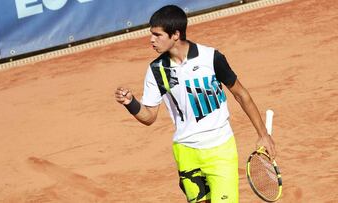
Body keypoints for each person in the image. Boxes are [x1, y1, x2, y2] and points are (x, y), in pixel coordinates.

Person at [114, 5, 276, 203]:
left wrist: (263, 135)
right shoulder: (157, 70)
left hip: (220, 150)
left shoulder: (211, 58)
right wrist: (130, 103)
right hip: (186, 152)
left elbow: (241, 94)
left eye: (157, 35)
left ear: (175, 34)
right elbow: (149, 117)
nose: (151, 40)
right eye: (151, 34)